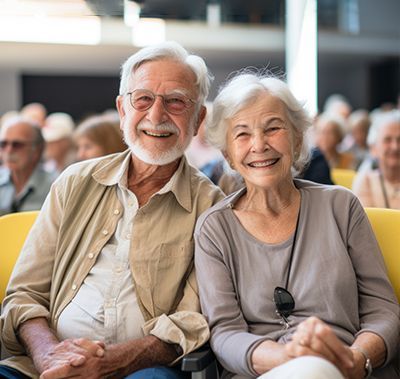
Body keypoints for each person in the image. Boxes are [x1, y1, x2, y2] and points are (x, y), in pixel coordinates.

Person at [0, 41, 223, 379]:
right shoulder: (74, 181)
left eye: (176, 101)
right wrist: (48, 354)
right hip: (46, 364)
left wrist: (110, 362)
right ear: (122, 110)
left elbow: (191, 320)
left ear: (198, 118)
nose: (156, 115)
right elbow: (25, 293)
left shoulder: (213, 206)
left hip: (142, 369)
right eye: (143, 99)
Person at [194, 72, 399, 379]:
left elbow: (383, 311)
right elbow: (225, 332)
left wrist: (357, 358)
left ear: (297, 138)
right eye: (242, 134)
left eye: (273, 128)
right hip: (263, 372)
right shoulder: (214, 228)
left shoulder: (341, 206)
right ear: (228, 155)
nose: (259, 145)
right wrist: (288, 357)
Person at [0, 116, 55, 216]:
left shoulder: (55, 187)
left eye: (17, 145)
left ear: (37, 150)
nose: (8, 151)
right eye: (3, 144)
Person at [352, 110, 400, 209]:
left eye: (399, 140)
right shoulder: (365, 181)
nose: (395, 147)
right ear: (373, 148)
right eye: (387, 140)